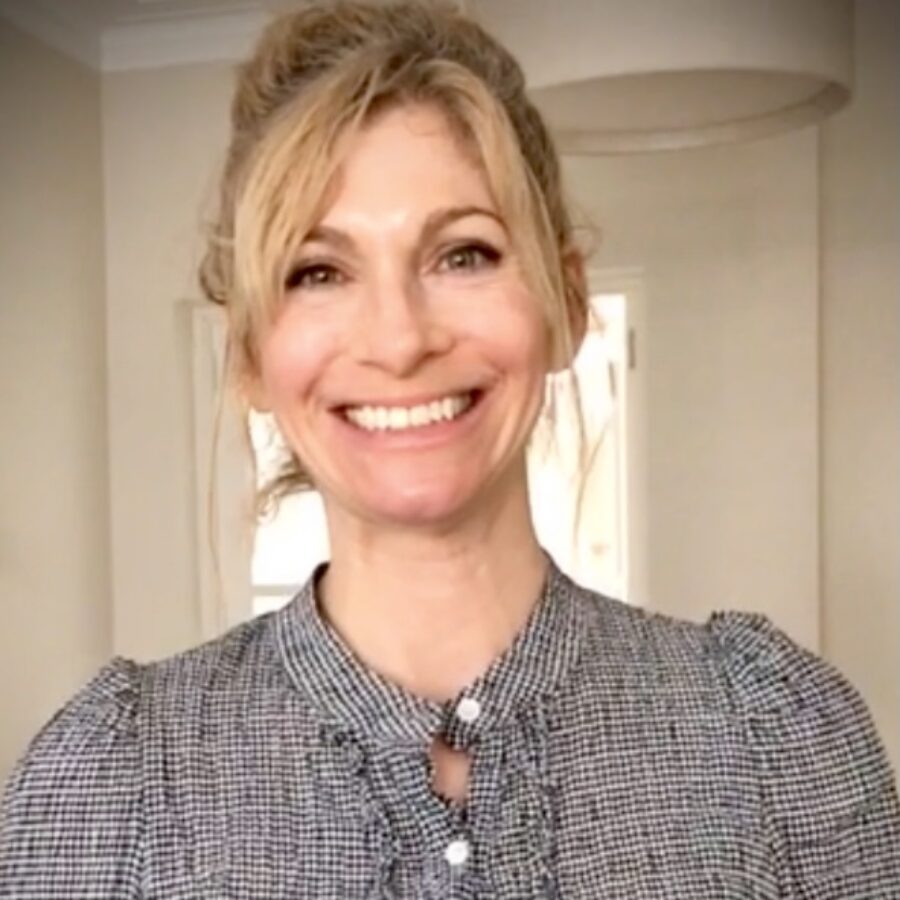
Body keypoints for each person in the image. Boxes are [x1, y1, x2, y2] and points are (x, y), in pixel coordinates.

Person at [1, 1, 899, 896]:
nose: (399, 340)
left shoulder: (775, 737)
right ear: (247, 353)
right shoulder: (113, 783)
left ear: (565, 303)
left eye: (463, 255)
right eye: (318, 271)